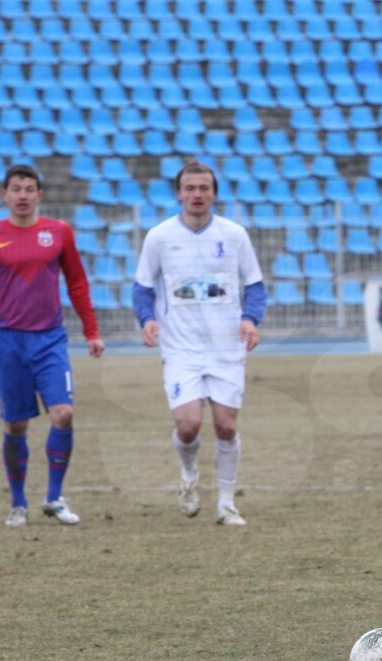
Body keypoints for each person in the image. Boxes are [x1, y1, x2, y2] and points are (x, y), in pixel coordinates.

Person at [132, 161, 266, 526]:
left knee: (225, 426)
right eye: (190, 188)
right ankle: (189, 476)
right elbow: (143, 287)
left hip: (226, 348)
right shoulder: (159, 237)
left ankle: (226, 502)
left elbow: (254, 285)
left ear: (214, 193)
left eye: (203, 188)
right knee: (188, 424)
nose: (196, 194)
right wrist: (147, 320)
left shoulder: (234, 234)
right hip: (181, 349)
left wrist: (250, 319)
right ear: (179, 193)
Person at [0, 164, 105, 527]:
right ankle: (18, 503)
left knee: (63, 413)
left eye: (29, 189)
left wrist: (91, 330)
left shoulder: (59, 232)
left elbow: (78, 283)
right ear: (4, 195)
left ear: (39, 195)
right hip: (8, 342)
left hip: (50, 339)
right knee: (16, 424)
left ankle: (53, 498)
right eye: (15, 188)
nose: (22, 195)